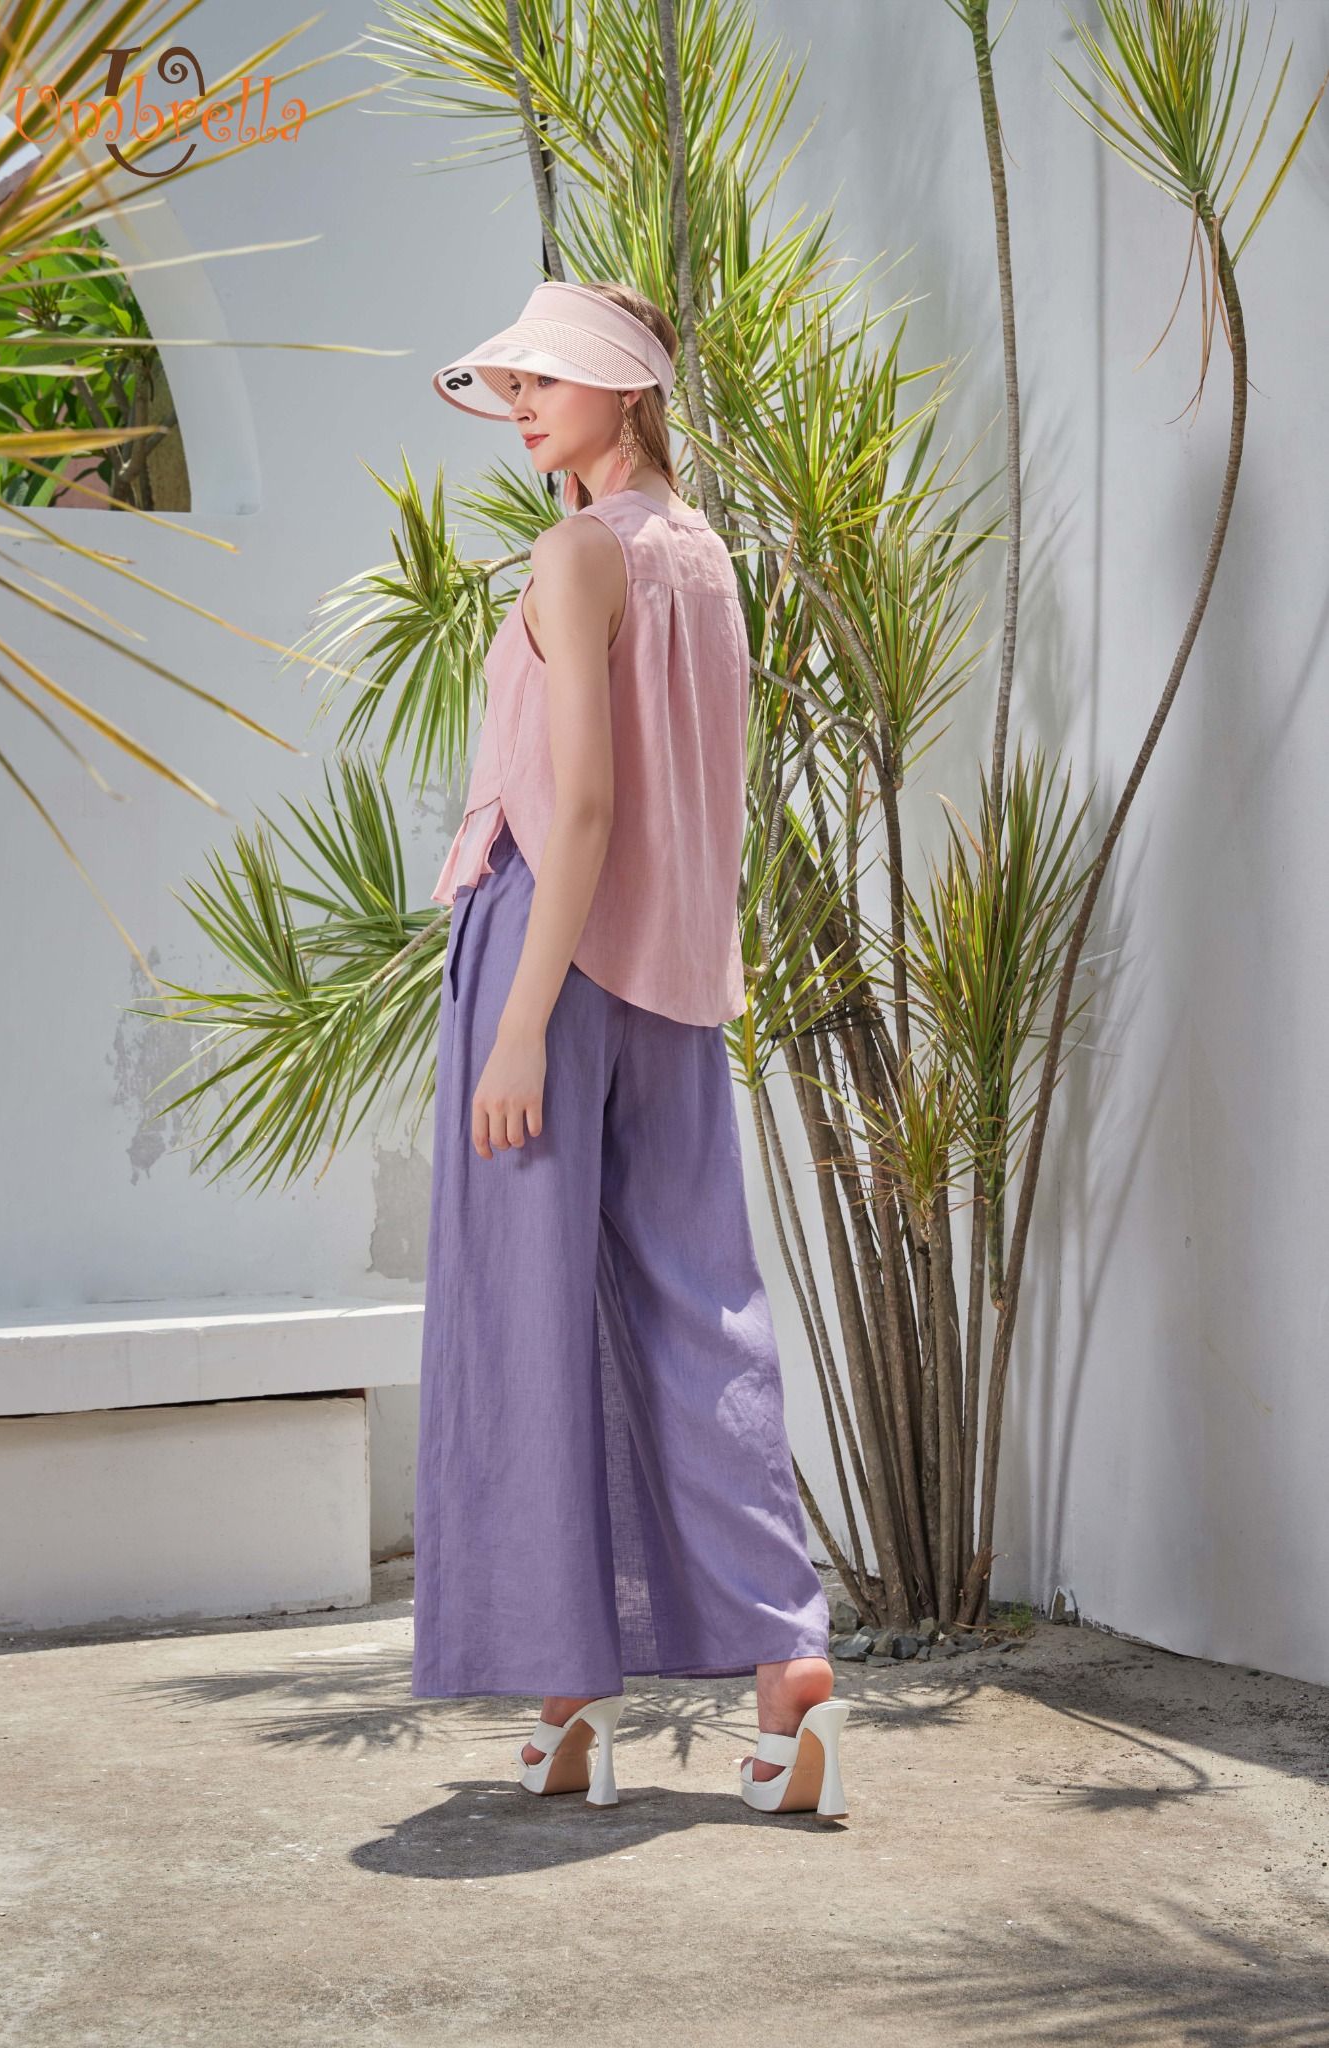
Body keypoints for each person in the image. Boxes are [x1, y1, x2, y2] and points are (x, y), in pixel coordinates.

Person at [413, 278, 851, 1820]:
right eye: (510, 382)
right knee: (696, 1303)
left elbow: (583, 806)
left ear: (622, 388)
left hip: (549, 946)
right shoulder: (703, 553)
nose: (520, 403)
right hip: (673, 971)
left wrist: (519, 1023)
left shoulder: (577, 551)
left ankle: (564, 1687)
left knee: (523, 1319)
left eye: (545, 378)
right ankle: (783, 1667)